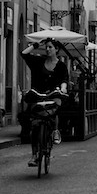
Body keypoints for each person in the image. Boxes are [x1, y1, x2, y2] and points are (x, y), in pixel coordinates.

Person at [20, 38, 68, 166]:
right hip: (38, 94)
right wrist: (36, 45)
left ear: (56, 49)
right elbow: (24, 54)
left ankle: (55, 131)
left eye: (50, 47)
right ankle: (34, 155)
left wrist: (63, 88)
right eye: (46, 47)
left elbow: (64, 79)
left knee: (55, 109)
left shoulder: (61, 66)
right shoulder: (38, 61)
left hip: (53, 94)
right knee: (35, 125)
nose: (47, 49)